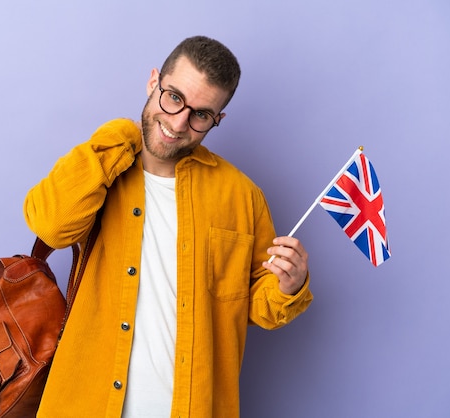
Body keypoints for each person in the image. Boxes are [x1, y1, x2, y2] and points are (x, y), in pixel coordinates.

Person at [24, 35, 313, 418]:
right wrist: (125, 135)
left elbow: (259, 306)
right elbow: (51, 224)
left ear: (218, 119)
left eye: (201, 114)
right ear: (152, 82)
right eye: (173, 97)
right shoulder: (104, 167)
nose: (178, 123)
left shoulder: (241, 195)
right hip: (85, 403)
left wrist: (289, 286)